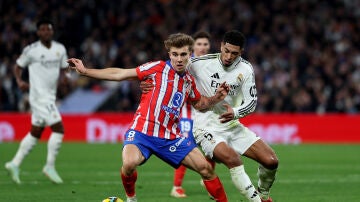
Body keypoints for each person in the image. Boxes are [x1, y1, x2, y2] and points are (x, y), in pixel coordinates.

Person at [67, 33, 229, 202]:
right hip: (142, 131)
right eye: (175, 54)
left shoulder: (188, 81)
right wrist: (86, 71)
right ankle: (131, 198)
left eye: (183, 54)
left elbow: (199, 104)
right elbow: (120, 74)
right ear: (169, 54)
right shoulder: (157, 68)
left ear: (190, 54)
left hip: (170, 136)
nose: (179, 59)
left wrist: (215, 99)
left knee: (206, 169)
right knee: (129, 164)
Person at [188, 30, 279, 202]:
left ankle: (264, 195)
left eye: (234, 53)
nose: (229, 56)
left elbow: (252, 102)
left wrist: (235, 112)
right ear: (221, 46)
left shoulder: (245, 69)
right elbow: (172, 69)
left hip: (232, 125)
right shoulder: (199, 63)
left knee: (271, 161)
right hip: (205, 127)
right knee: (233, 159)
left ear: (241, 52)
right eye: (226, 50)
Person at [5, 19, 69, 184]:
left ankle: (14, 163)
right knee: (59, 129)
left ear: (52, 32)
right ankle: (49, 166)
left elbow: (64, 69)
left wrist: (63, 78)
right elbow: (17, 66)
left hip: (50, 95)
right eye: (42, 30)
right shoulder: (31, 50)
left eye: (48, 29)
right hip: (38, 97)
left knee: (36, 132)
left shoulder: (59, 49)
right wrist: (19, 81)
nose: (46, 32)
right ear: (38, 32)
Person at [170, 30, 212, 198]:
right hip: (187, 113)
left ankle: (207, 179)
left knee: (213, 147)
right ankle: (176, 187)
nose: (202, 47)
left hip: (206, 113)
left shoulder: (212, 64)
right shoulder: (186, 62)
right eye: (199, 44)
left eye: (205, 44)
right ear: (193, 46)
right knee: (186, 148)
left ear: (209, 46)